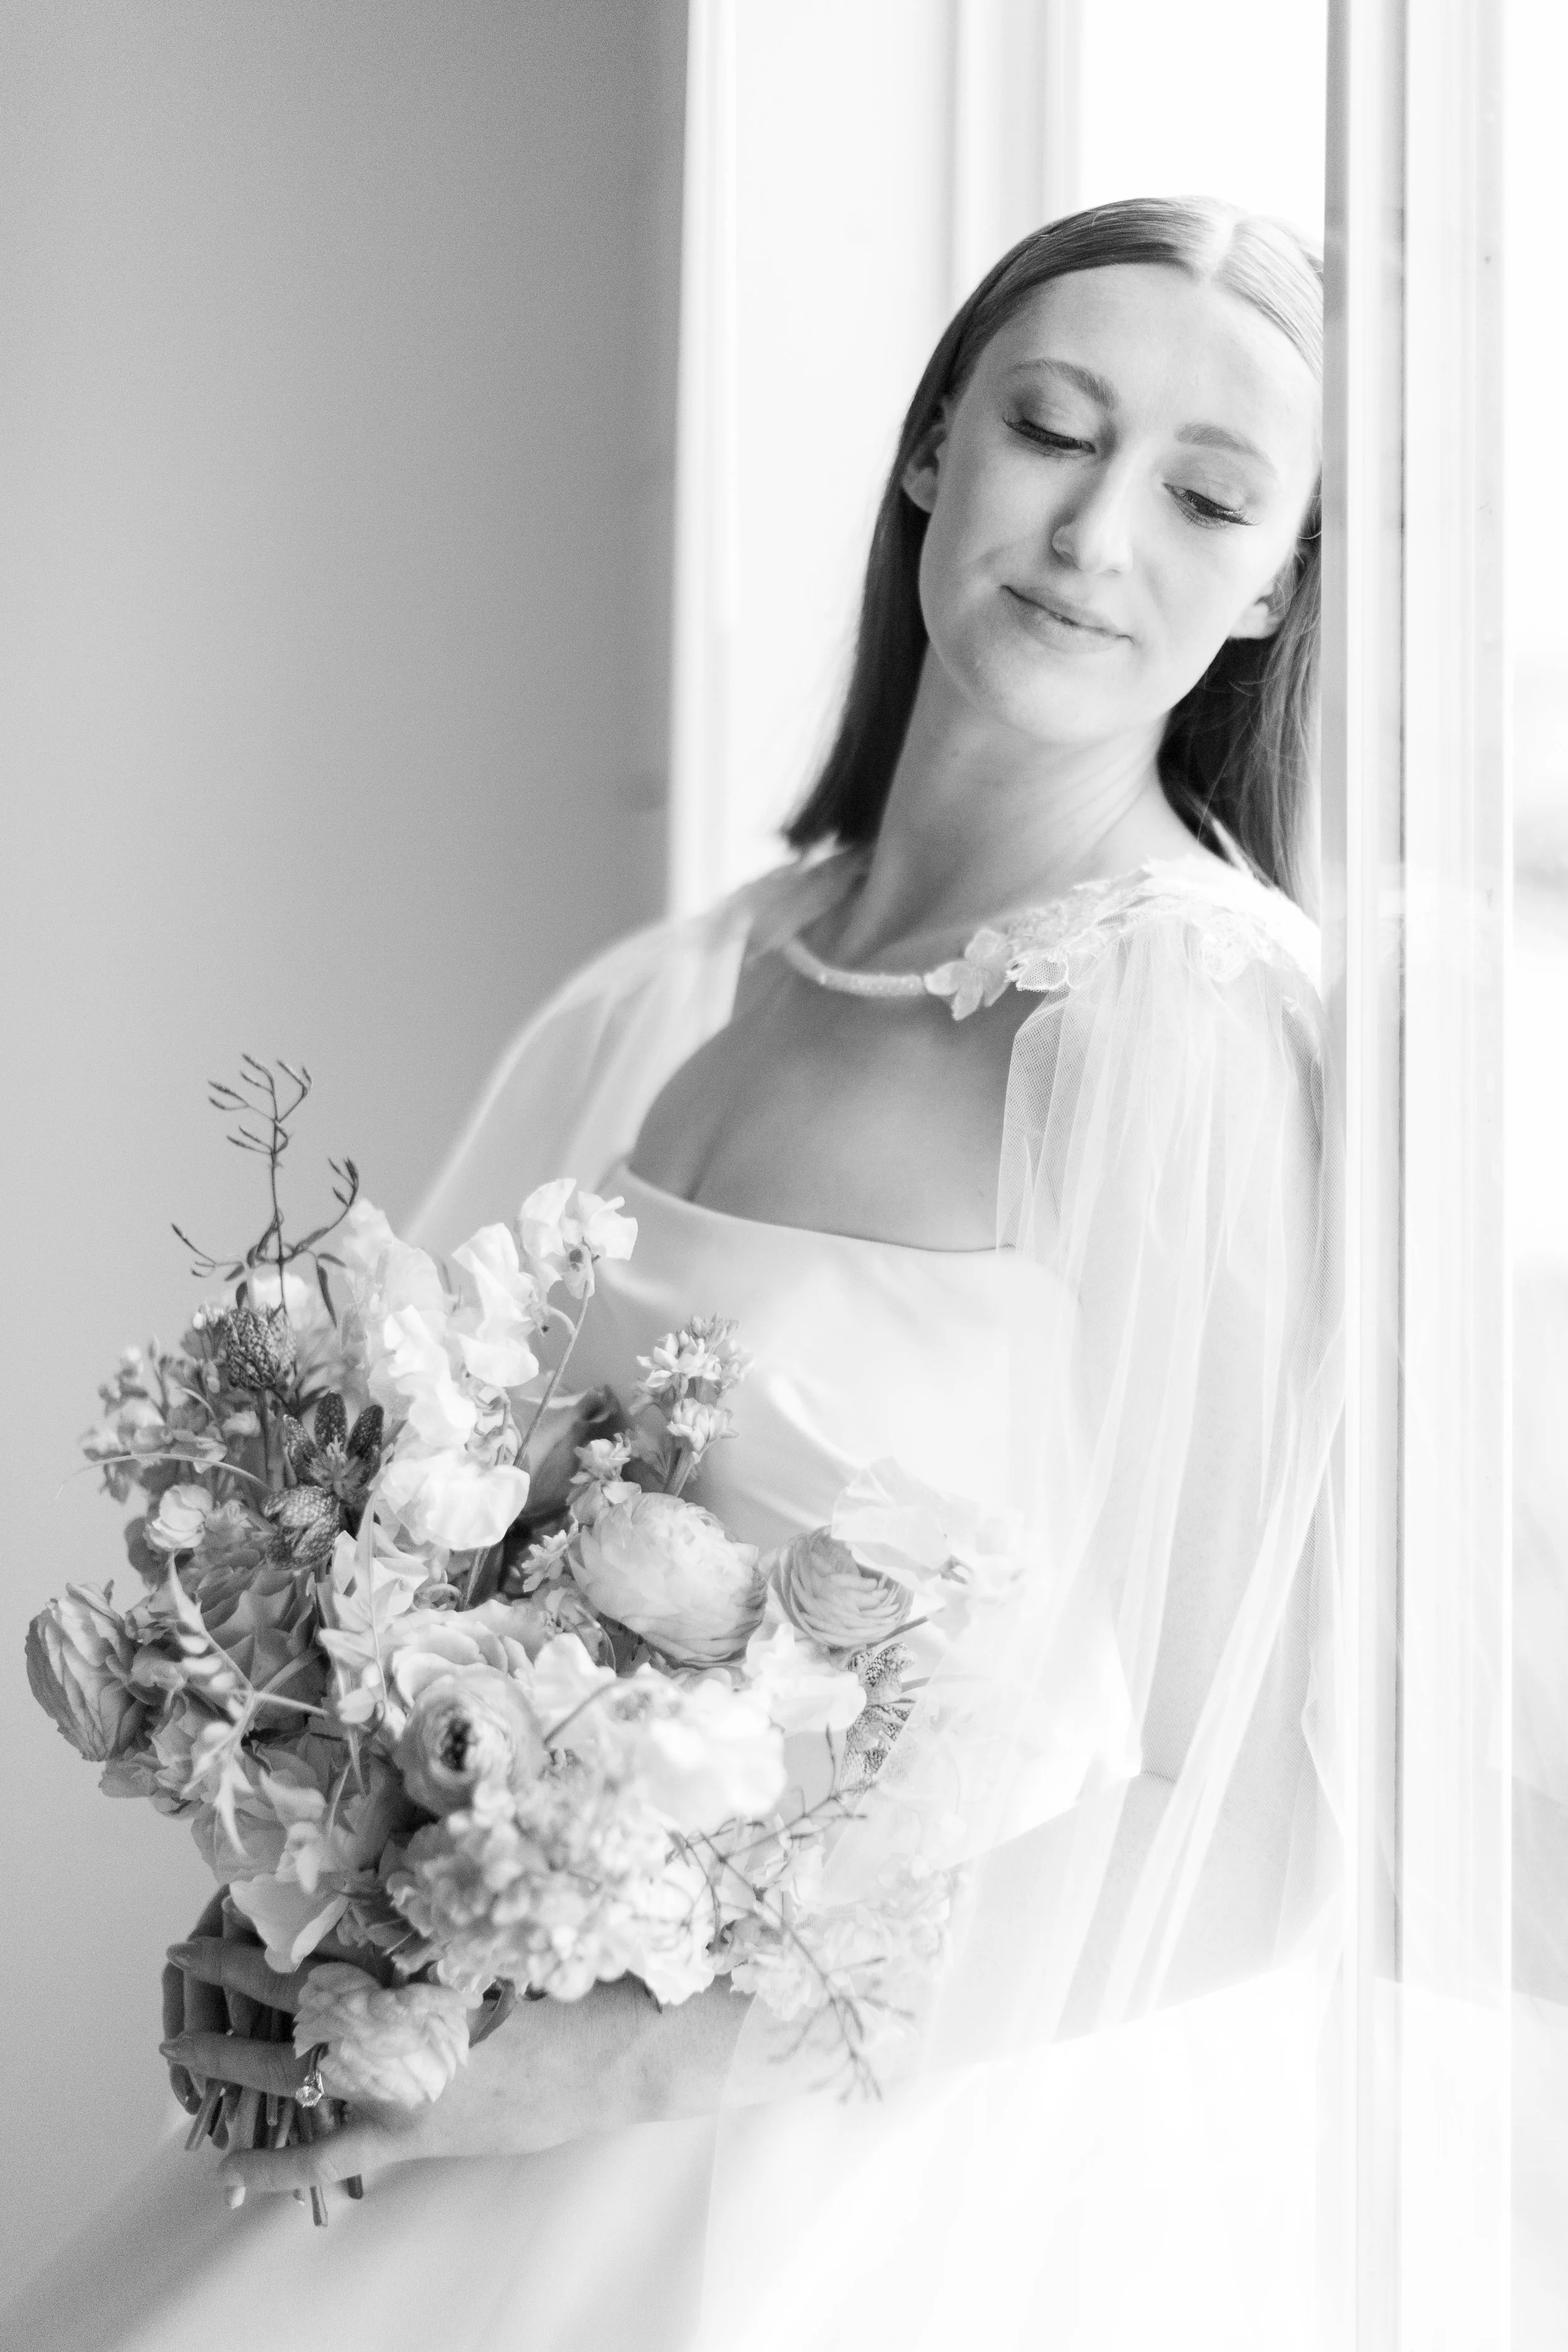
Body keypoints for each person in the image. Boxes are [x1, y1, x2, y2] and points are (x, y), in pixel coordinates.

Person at [9, 197, 1344, 2350]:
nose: (1097, 536)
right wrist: (325, 1914)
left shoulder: (1171, 1029)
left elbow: (1259, 1812)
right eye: (1049, 430)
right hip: (445, 2056)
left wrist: (577, 2068)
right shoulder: (713, 969)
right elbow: (433, 1553)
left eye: (1202, 497)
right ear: (931, 446)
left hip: (776, 2170)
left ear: (1271, 584)